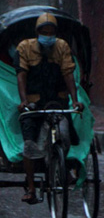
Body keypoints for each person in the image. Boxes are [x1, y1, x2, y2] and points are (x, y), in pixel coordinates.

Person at [15, 13, 83, 204]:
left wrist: (75, 100)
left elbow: (69, 74)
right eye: (44, 32)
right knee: (29, 144)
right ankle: (30, 187)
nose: (47, 36)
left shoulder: (61, 46)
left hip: (57, 101)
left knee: (65, 134)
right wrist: (24, 101)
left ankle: (62, 166)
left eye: (51, 32)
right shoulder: (25, 47)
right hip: (34, 103)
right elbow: (21, 76)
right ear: (37, 33)